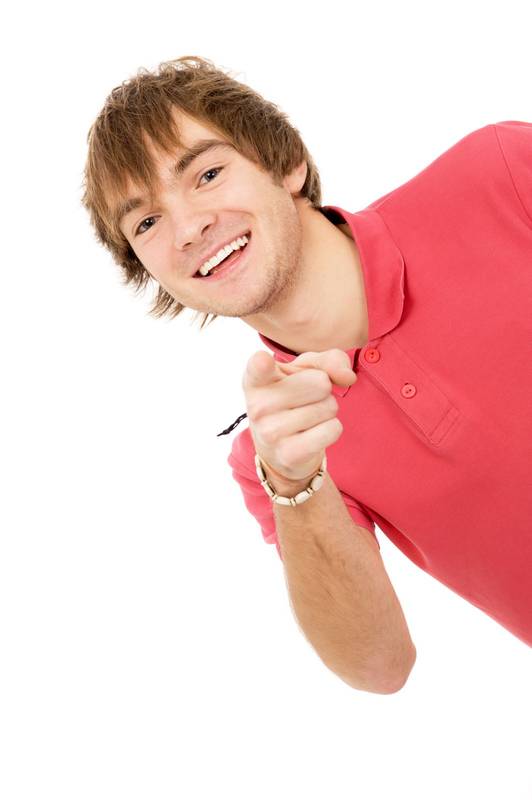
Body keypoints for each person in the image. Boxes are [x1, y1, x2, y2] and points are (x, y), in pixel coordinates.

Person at [81, 55, 532, 694]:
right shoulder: (277, 459)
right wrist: (296, 487)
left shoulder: (500, 171)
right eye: (146, 222)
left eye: (207, 174)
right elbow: (378, 667)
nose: (187, 228)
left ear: (286, 162)